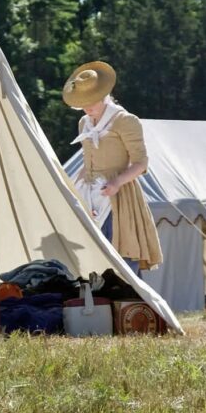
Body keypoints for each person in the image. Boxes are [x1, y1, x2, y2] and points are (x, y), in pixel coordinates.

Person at [63, 61, 162, 276]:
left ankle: (131, 305)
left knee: (122, 256)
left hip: (119, 195)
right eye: (83, 103)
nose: (87, 107)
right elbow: (87, 164)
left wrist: (117, 182)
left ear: (103, 94)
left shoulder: (125, 121)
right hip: (91, 194)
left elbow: (141, 163)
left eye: (91, 101)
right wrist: (71, 187)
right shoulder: (84, 123)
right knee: (95, 257)